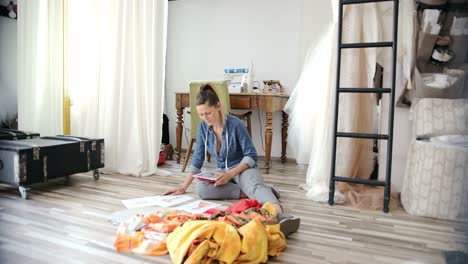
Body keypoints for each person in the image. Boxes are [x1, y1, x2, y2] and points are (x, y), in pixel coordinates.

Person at [164, 83, 300, 236]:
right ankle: (262, 191)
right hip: (224, 171)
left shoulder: (235, 125)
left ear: (219, 106)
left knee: (254, 186)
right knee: (201, 189)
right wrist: (183, 187)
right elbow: (197, 160)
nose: (204, 118)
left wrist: (230, 175)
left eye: (208, 113)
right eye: (201, 114)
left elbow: (251, 155)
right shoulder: (203, 127)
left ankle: (280, 215)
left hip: (242, 168)